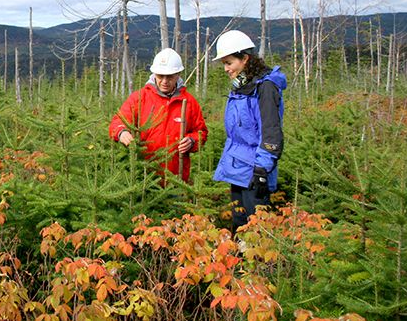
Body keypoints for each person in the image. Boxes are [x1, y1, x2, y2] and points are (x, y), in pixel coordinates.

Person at [211, 30, 287, 230]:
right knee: (239, 224)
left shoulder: (265, 88)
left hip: (255, 170)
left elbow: (270, 130)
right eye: (224, 64)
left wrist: (262, 169)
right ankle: (240, 261)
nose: (226, 69)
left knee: (256, 229)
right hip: (238, 168)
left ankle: (262, 262)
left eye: (229, 63)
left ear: (245, 58)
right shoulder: (240, 87)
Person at [109, 48, 208, 182]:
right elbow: (117, 121)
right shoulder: (139, 97)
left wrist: (192, 141)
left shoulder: (189, 102)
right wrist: (122, 132)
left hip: (176, 177)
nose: (164, 81)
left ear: (178, 74)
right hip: (144, 178)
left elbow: (201, 132)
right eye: (160, 76)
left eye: (170, 77)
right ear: (154, 74)